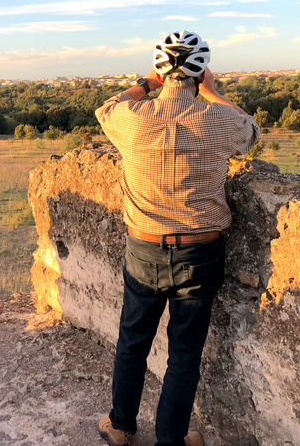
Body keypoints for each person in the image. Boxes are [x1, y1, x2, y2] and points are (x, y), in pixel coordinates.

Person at [95, 31, 259, 446]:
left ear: (161, 70)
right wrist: (215, 93)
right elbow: (251, 134)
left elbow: (106, 108)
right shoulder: (219, 119)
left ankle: (120, 426)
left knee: (133, 340)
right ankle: (171, 439)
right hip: (201, 250)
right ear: (200, 71)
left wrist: (146, 83)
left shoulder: (131, 118)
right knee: (184, 353)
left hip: (144, 247)